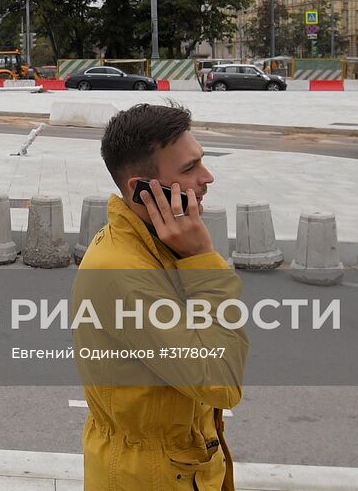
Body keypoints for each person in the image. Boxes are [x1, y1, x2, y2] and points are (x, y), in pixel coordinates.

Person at [72, 103, 248, 491]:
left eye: (201, 162)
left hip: (183, 467)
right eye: (189, 169)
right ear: (141, 189)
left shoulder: (160, 245)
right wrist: (204, 260)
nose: (208, 177)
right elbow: (222, 383)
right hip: (151, 477)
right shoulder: (123, 272)